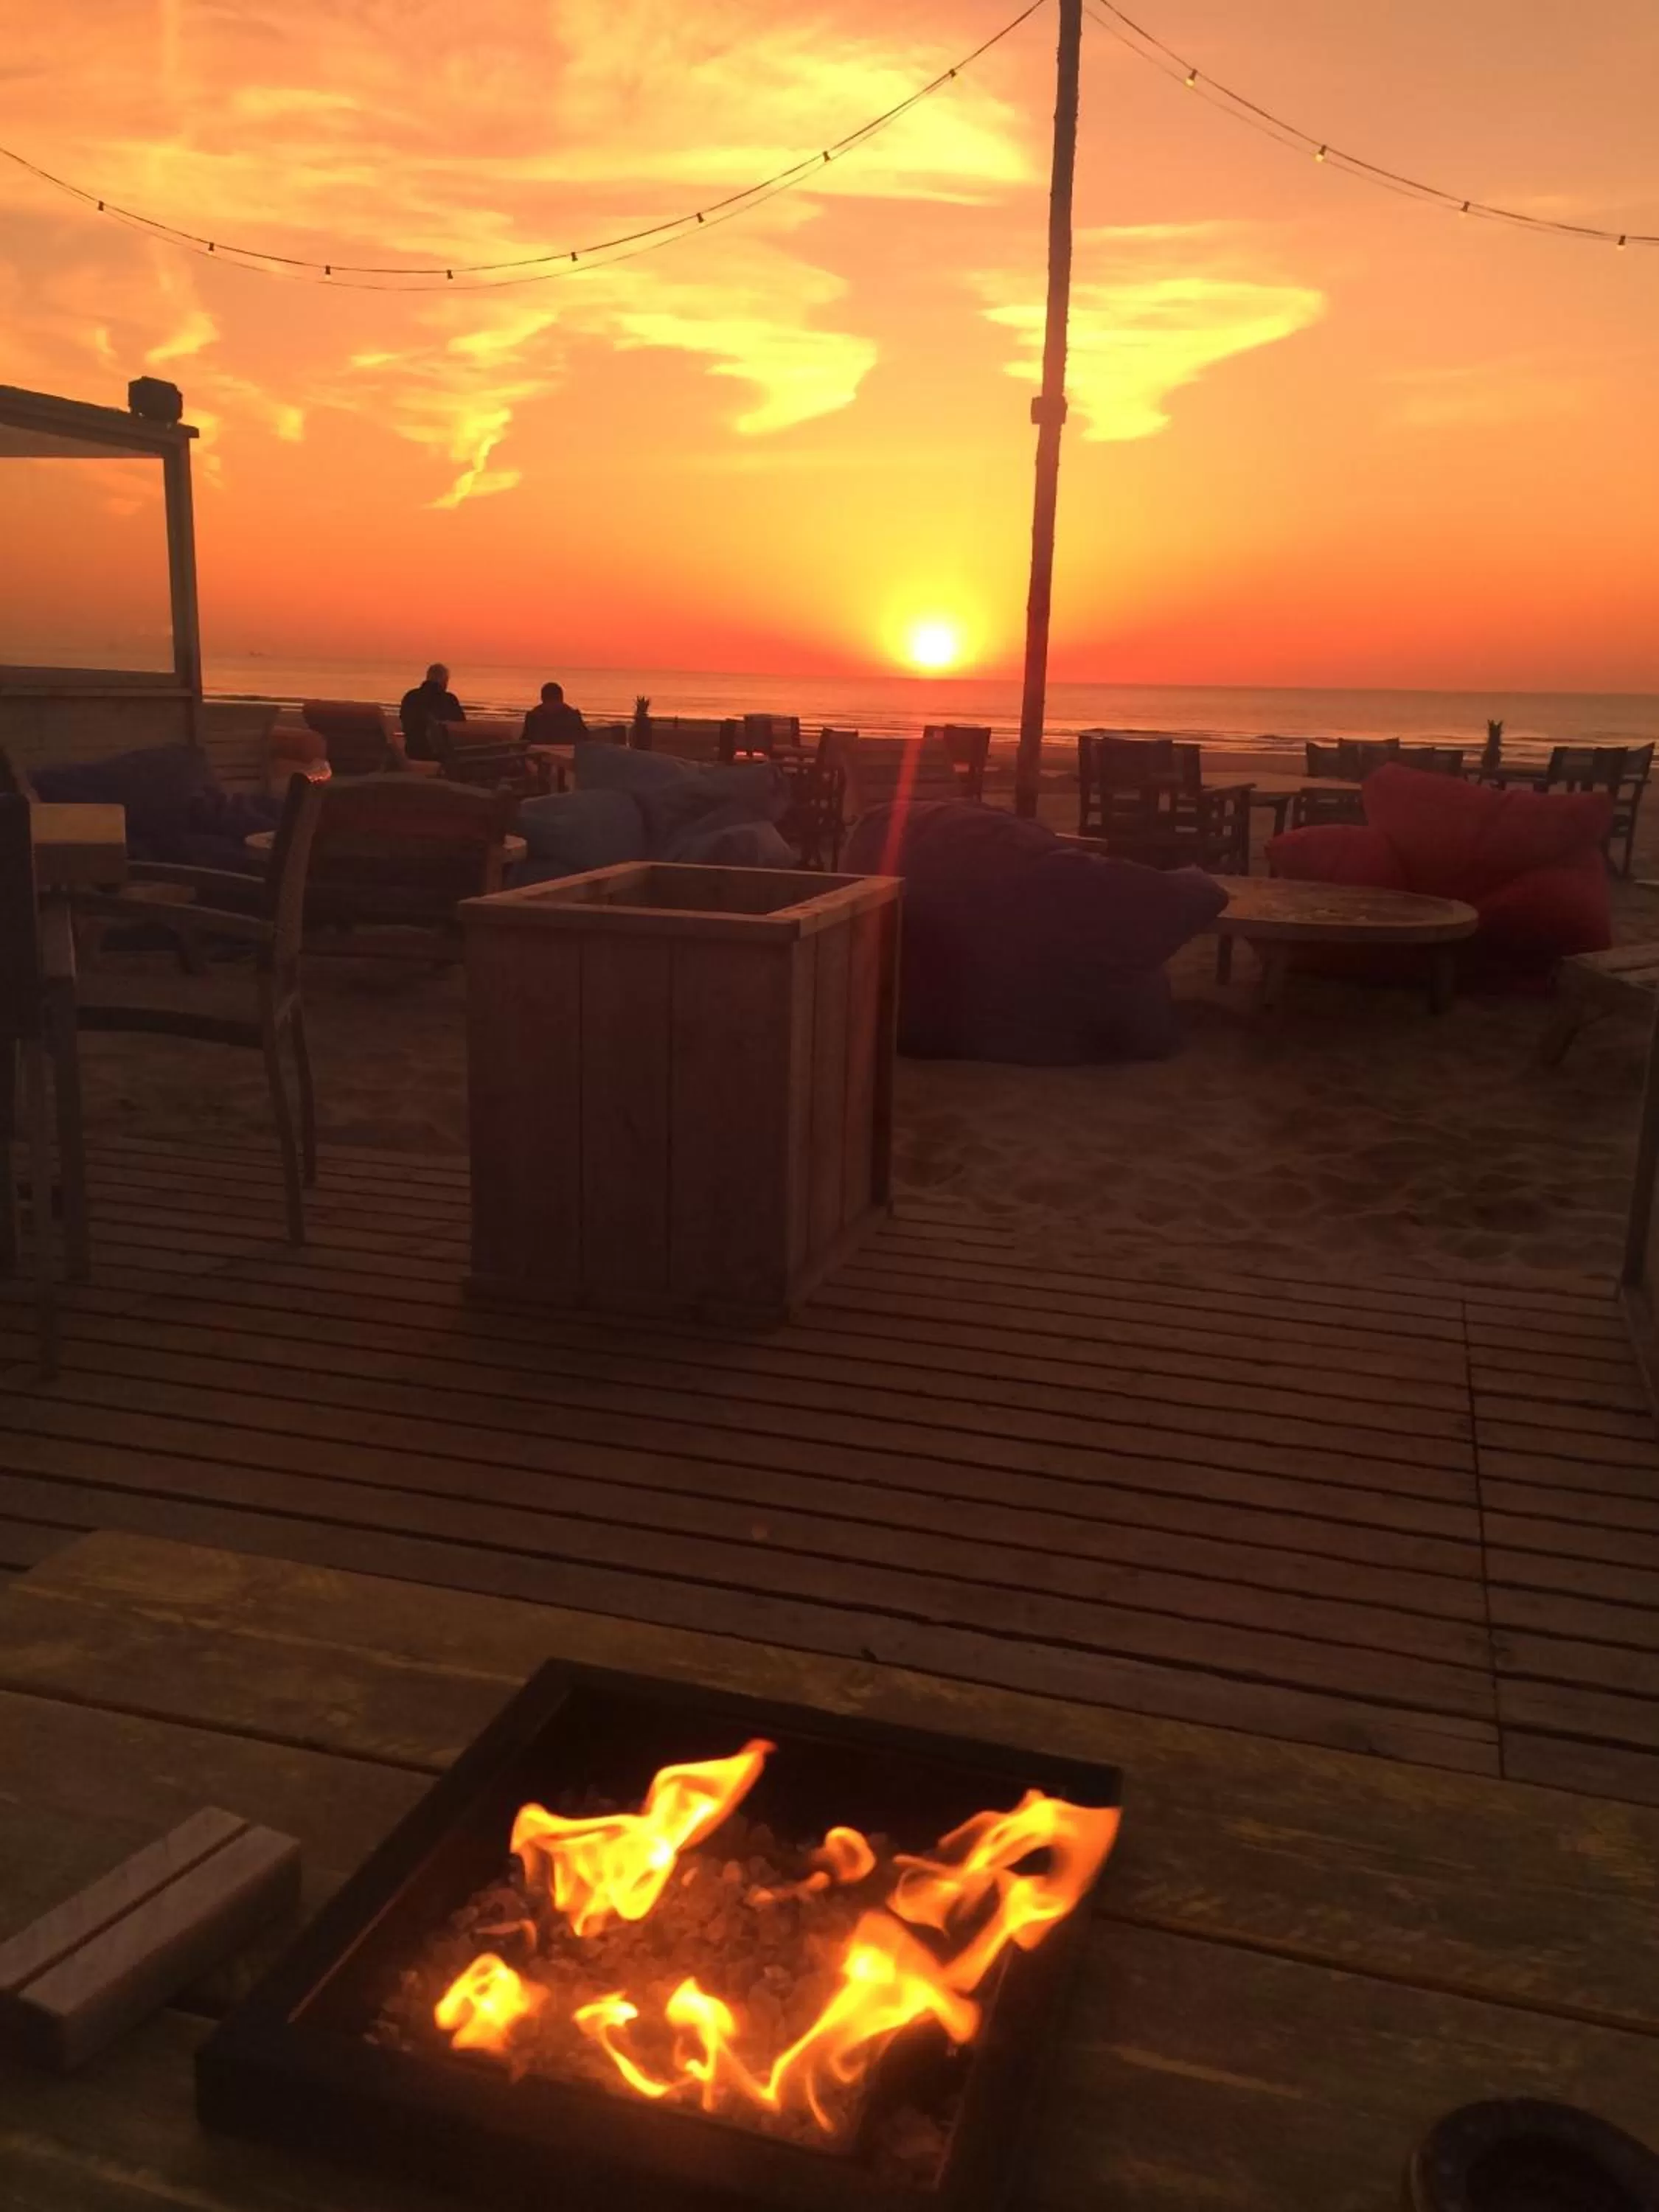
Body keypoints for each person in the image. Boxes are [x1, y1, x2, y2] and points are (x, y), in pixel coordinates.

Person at [399, 663, 464, 761]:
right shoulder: (449, 700)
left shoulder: (410, 697)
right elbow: (461, 726)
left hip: (412, 751)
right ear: (444, 681)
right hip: (439, 754)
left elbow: (404, 721)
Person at [522, 681, 587, 748]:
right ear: (561, 698)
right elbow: (585, 738)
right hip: (569, 755)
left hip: (539, 755)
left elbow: (525, 741)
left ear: (542, 698)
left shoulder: (533, 716)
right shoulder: (573, 715)